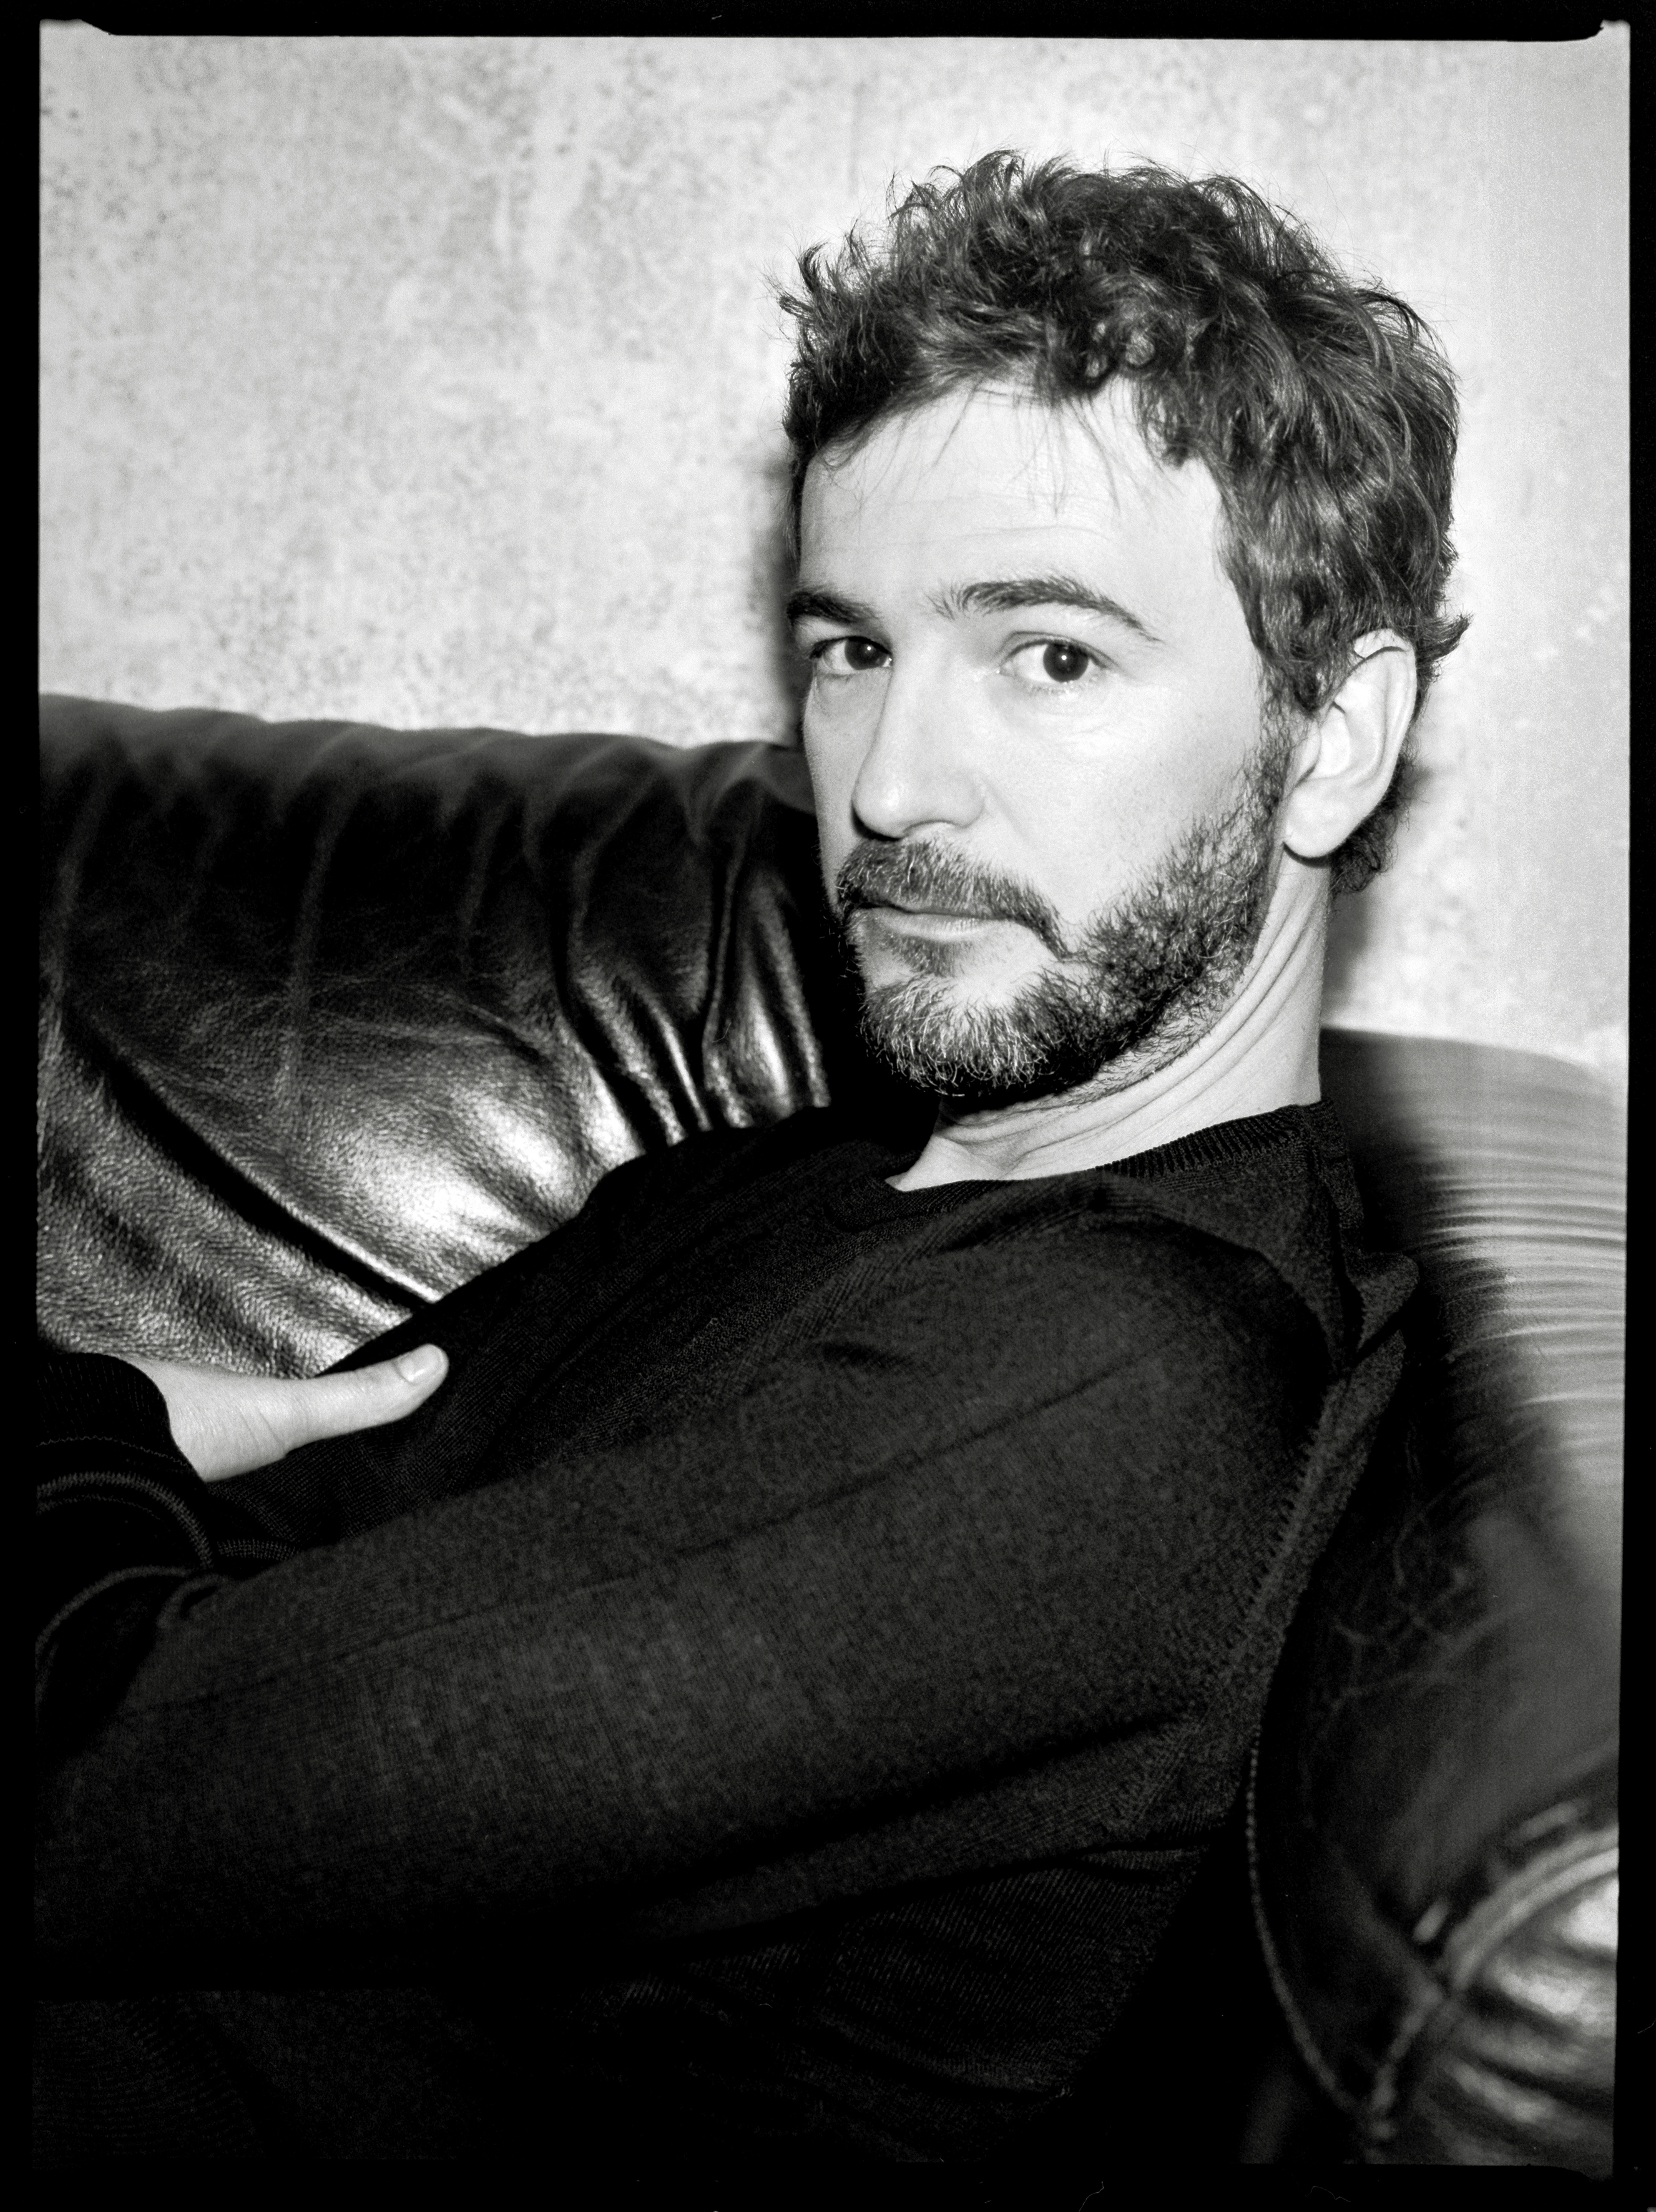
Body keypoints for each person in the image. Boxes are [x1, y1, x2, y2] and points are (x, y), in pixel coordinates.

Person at [36, 153, 1466, 2165]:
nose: (887, 786)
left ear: (1333, 737)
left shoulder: (1111, 1392)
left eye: (1050, 655)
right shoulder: (805, 1185)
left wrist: (85, 1410)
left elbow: (92, 1785)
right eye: (850, 649)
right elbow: (264, 1572)